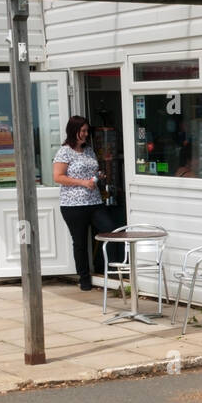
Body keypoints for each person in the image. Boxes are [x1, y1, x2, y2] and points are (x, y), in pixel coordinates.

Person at [53, 116, 118, 290]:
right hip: (73, 204)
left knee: (110, 230)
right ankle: (84, 279)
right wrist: (83, 182)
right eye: (82, 131)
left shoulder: (88, 150)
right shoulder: (64, 152)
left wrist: (98, 176)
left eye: (87, 131)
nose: (85, 134)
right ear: (73, 131)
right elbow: (58, 177)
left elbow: (92, 170)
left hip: (94, 200)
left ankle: (111, 272)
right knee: (80, 242)